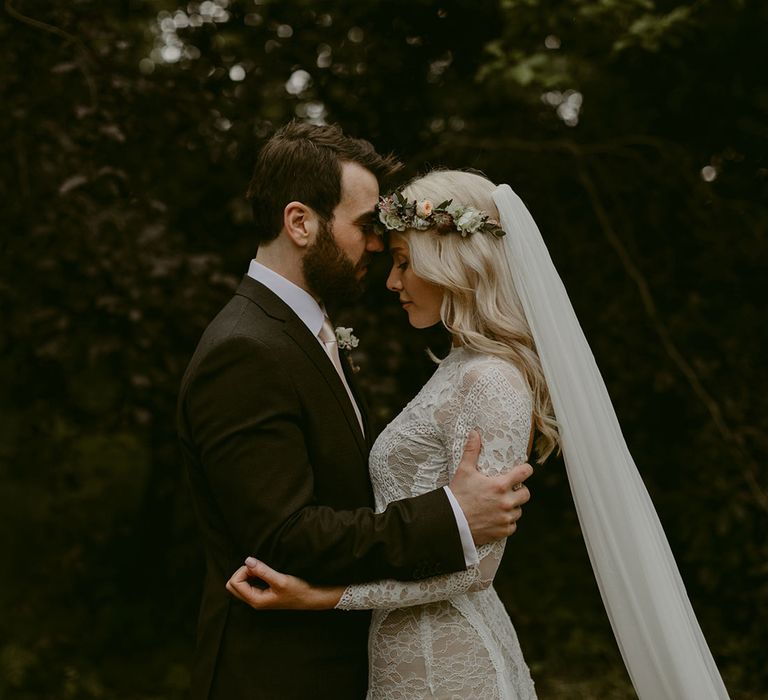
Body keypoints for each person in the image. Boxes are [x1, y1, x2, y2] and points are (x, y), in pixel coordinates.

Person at [227, 170, 732, 700]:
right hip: (399, 658)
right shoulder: (458, 365)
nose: (391, 282)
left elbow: (475, 569)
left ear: (453, 261)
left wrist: (322, 597)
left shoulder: (491, 380)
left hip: (448, 666)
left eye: (403, 262)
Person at [177, 127, 533, 699]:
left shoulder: (304, 334)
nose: (375, 245)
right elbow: (283, 534)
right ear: (301, 223)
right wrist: (451, 516)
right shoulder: (245, 348)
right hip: (278, 675)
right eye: (366, 226)